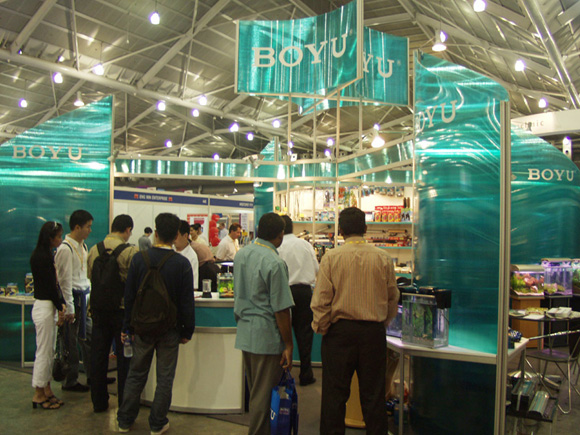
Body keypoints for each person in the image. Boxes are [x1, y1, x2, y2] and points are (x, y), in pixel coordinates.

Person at [311, 207, 399, 435]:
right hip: (373, 334)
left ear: (340, 230)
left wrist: (322, 327)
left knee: (334, 396)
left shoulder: (331, 257)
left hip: (339, 333)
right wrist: (382, 323)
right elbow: (393, 298)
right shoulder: (382, 258)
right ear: (365, 228)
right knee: (374, 397)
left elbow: (321, 300)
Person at [117, 213, 195, 434]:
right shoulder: (181, 263)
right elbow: (186, 302)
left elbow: (129, 297)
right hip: (169, 329)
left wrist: (127, 326)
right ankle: (157, 423)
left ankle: (125, 420)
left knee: (136, 374)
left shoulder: (139, 259)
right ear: (176, 235)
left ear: (156, 232)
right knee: (165, 378)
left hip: (142, 328)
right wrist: (187, 330)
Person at [233, 212, 294, 435]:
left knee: (255, 391)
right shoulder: (274, 262)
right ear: (280, 235)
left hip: (246, 333)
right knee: (263, 396)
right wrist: (288, 344)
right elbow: (281, 309)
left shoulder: (241, 254)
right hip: (267, 337)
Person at [87, 214, 139, 413]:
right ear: (127, 230)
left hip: (99, 310)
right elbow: (134, 284)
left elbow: (90, 277)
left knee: (99, 356)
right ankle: (125, 405)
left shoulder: (94, 249)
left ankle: (98, 402)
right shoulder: (130, 252)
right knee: (124, 358)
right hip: (122, 312)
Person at [55, 209, 93, 393]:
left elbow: (83, 276)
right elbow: (64, 282)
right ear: (77, 227)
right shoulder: (65, 249)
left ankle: (93, 375)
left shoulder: (83, 246)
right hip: (72, 301)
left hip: (83, 299)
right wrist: (69, 307)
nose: (90, 230)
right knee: (71, 342)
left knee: (89, 338)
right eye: (88, 227)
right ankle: (71, 380)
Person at [277, 215, 319, 386]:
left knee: (280, 333)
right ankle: (306, 374)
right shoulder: (305, 245)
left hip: (282, 291)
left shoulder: (277, 247)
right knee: (305, 334)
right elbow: (316, 268)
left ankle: (280, 374)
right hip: (303, 292)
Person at [30, 221, 66, 410]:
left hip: (48, 306)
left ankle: (47, 389)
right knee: (44, 352)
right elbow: (49, 287)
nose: (60, 239)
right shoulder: (41, 257)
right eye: (58, 236)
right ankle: (38, 393)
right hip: (44, 307)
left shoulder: (45, 254)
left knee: (49, 351)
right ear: (50, 238)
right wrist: (60, 306)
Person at [175, 220, 199, 290]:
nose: (173, 238)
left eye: (176, 235)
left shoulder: (191, 256)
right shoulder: (170, 249)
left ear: (185, 236)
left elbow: (194, 286)